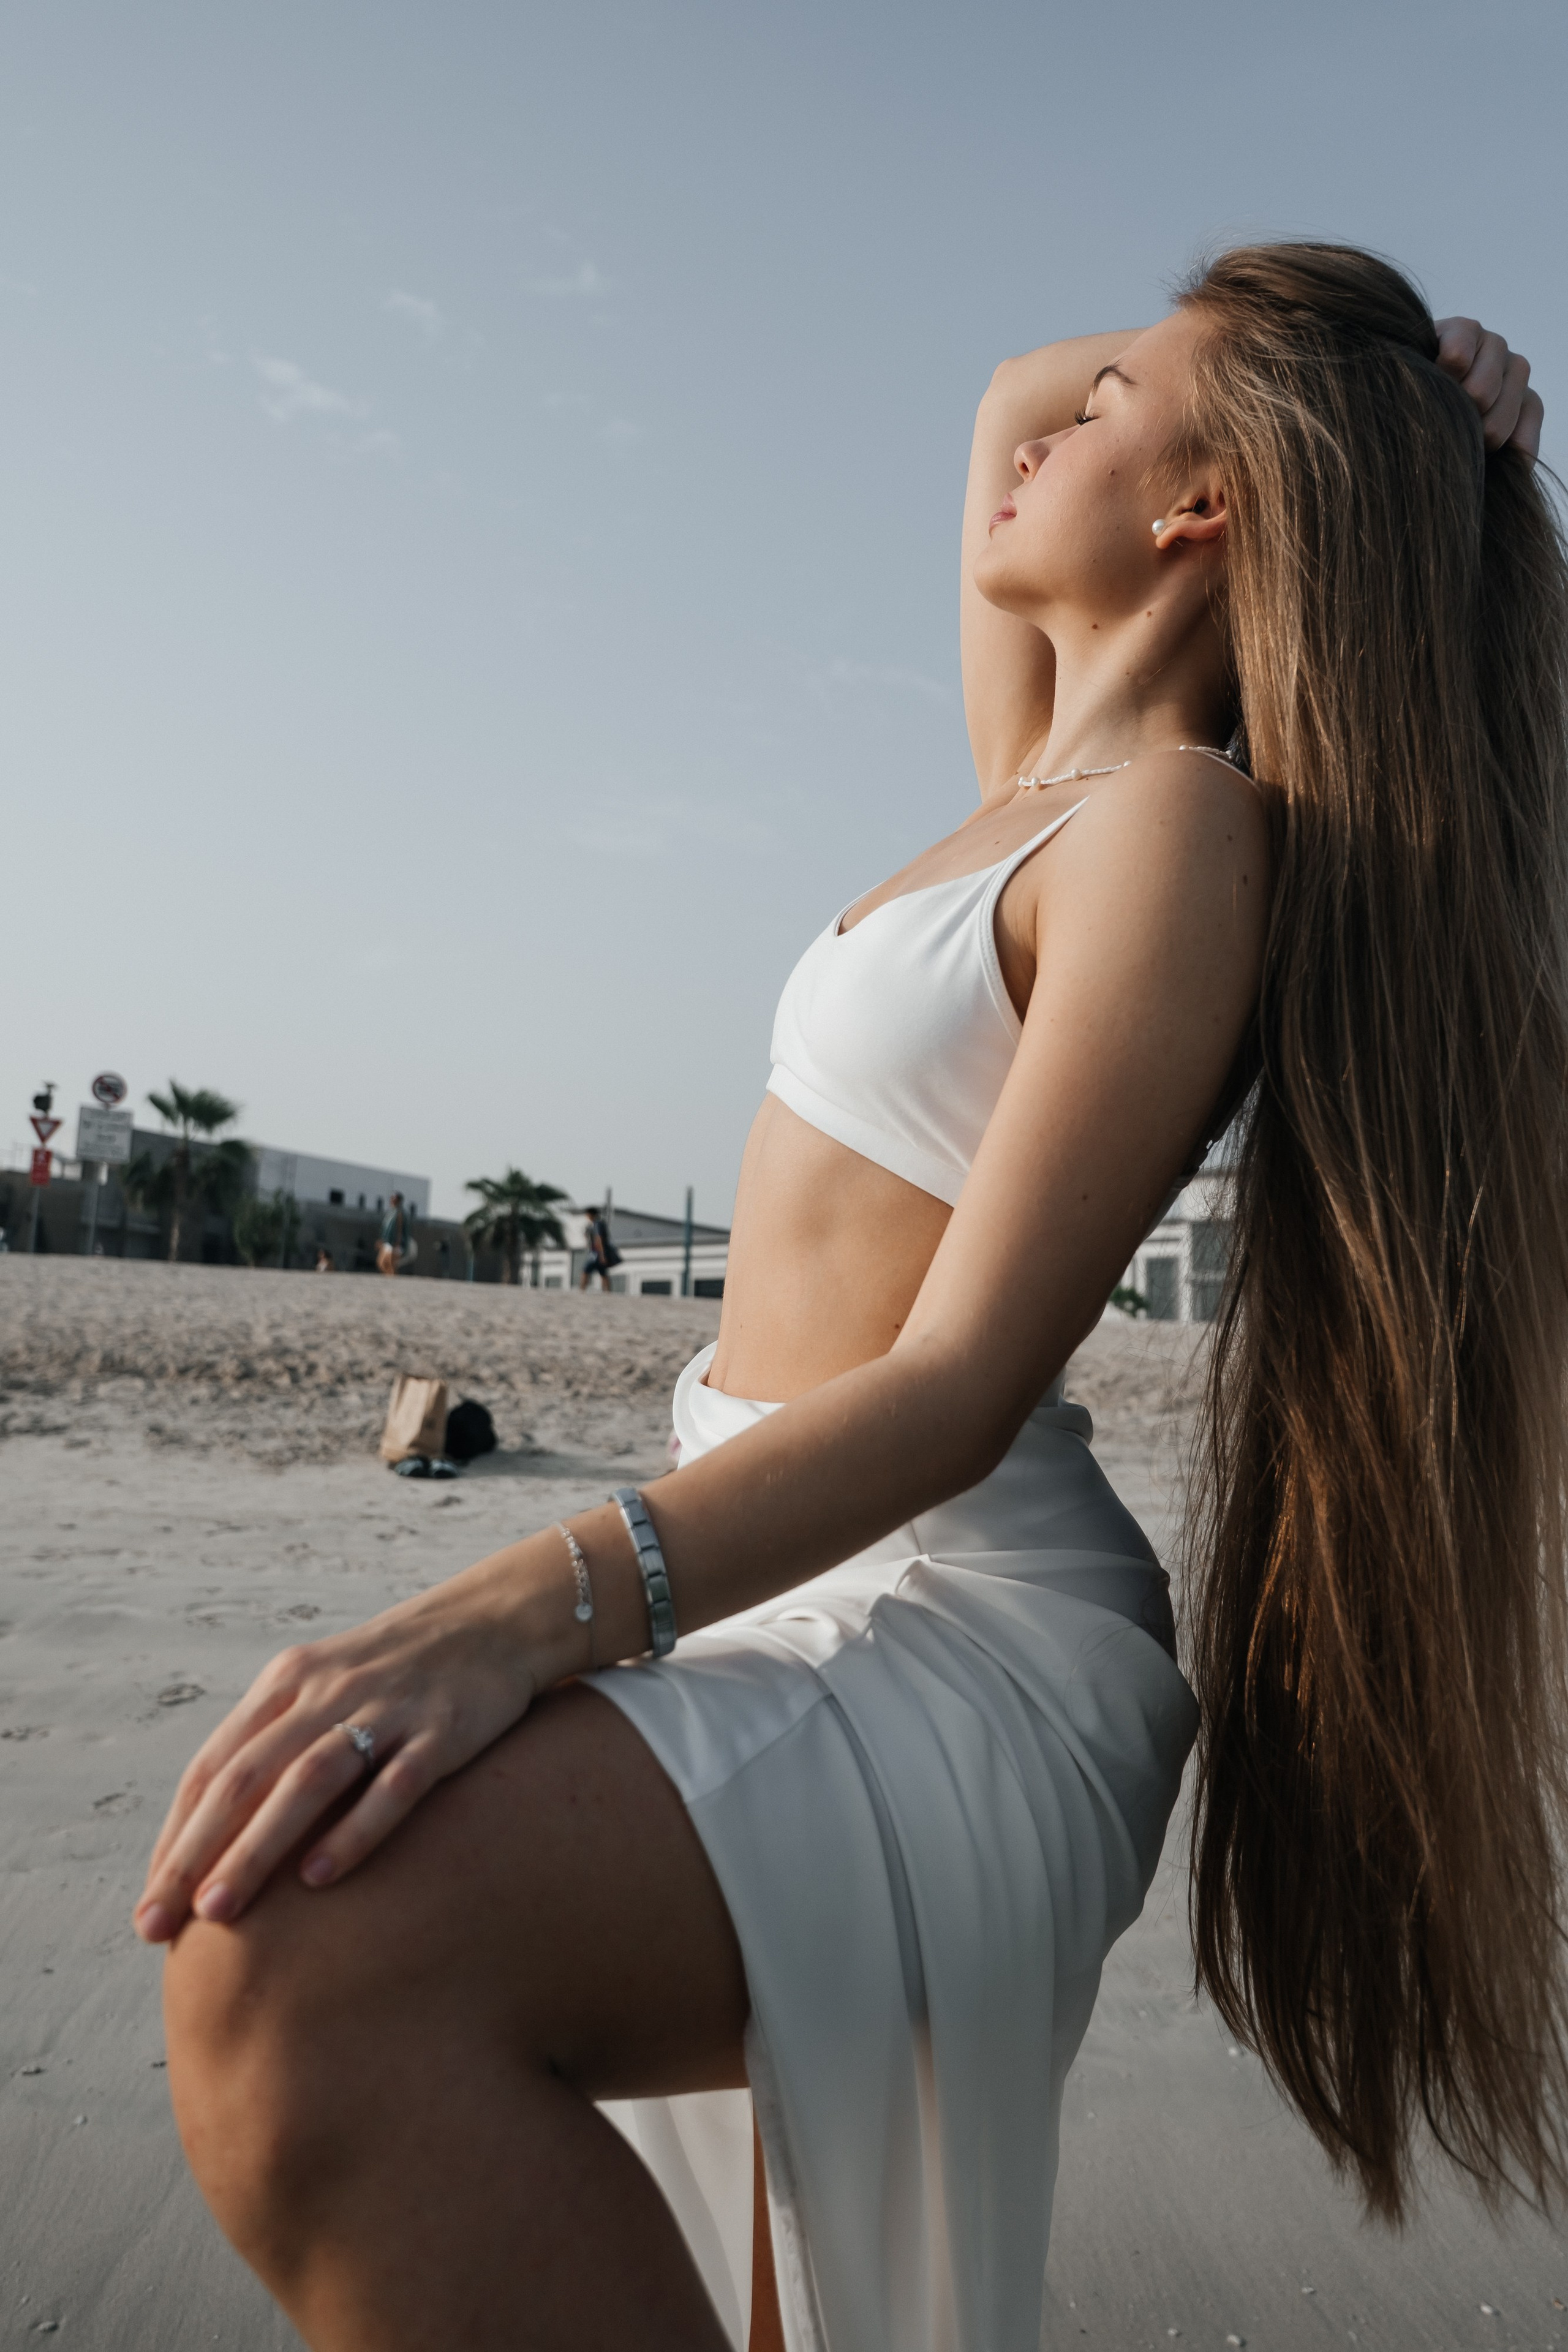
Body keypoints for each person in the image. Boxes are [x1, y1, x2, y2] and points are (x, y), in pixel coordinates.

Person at [138, 248, 1564, 2352]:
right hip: (793, 1581)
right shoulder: (1031, 783)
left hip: (951, 1628)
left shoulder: (1177, 829)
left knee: (298, 1962)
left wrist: (503, 1610)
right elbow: (1006, 400)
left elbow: (967, 1381)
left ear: (1201, 507)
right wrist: (1369, 390)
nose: (1049, 424)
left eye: (1120, 406)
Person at [578, 1202, 619, 1290]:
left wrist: (602, 1254)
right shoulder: (595, 1224)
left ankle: (582, 1290)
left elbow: (599, 1239)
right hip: (597, 1253)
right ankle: (608, 1292)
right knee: (603, 1273)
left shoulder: (598, 1224)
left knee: (586, 1271)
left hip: (596, 1253)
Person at [375, 1191, 414, 1278]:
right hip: (387, 1242)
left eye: (395, 1199)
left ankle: (393, 1280)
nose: (392, 1201)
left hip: (395, 1243)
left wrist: (398, 1241)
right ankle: (390, 1278)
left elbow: (399, 1228)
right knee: (381, 1263)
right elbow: (386, 1229)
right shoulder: (391, 1212)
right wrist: (382, 1240)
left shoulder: (400, 1213)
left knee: (391, 1264)